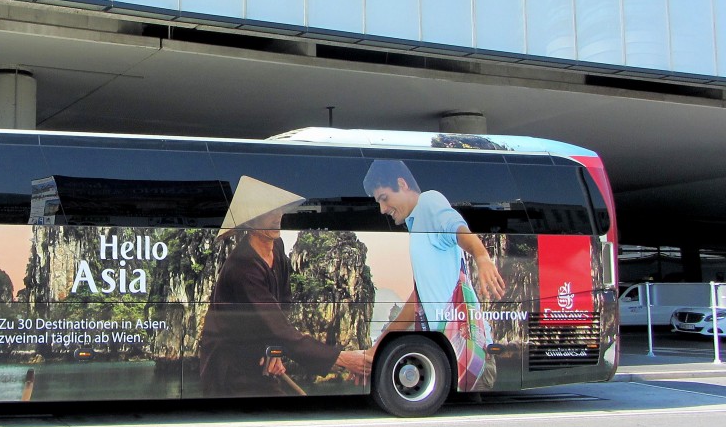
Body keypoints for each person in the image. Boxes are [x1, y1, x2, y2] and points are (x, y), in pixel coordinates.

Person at [199, 176, 372, 397]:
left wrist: (274, 349)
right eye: (266, 213)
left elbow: (283, 306)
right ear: (250, 222)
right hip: (230, 366)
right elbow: (276, 325)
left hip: (258, 354)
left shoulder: (277, 246)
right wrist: (344, 359)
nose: (275, 218)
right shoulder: (242, 268)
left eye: (277, 210)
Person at [362, 159, 505, 390]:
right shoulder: (416, 223)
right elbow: (417, 300)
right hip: (450, 357)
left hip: (469, 355)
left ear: (402, 183)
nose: (382, 209)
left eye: (384, 198)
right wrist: (378, 345)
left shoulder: (428, 202)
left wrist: (481, 256)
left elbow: (457, 227)